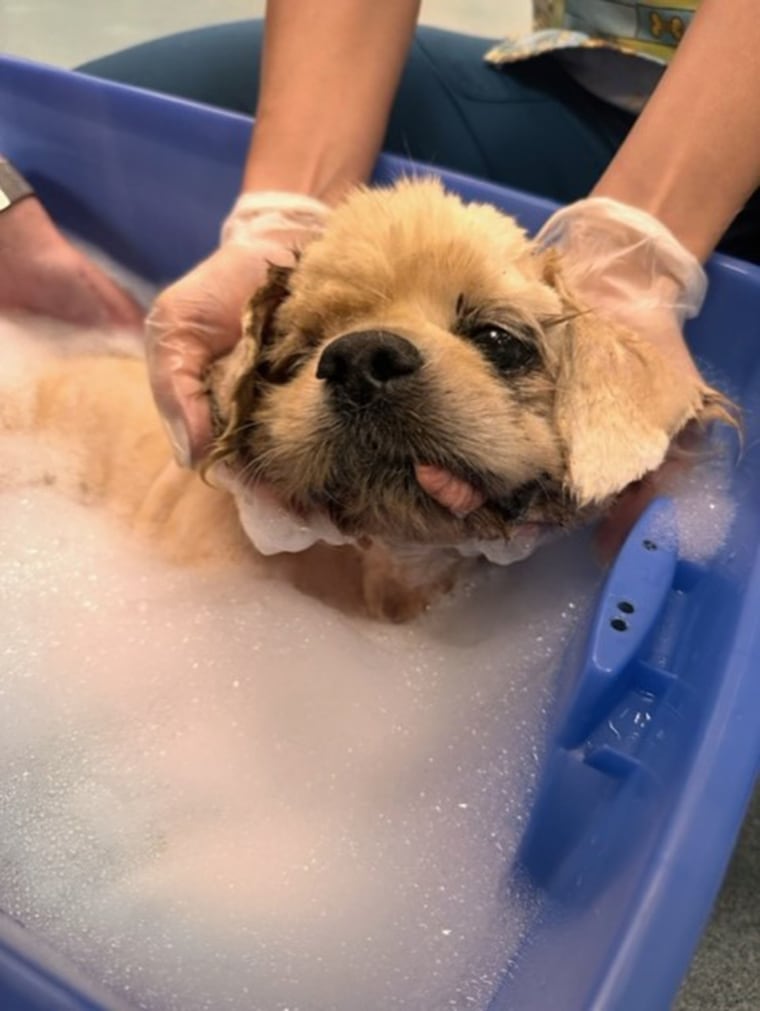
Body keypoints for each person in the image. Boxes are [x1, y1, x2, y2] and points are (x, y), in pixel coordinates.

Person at [3, 0, 759, 468]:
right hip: (586, 74)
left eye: (495, 339)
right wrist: (279, 216)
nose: (359, 364)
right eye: (309, 347)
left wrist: (639, 251)